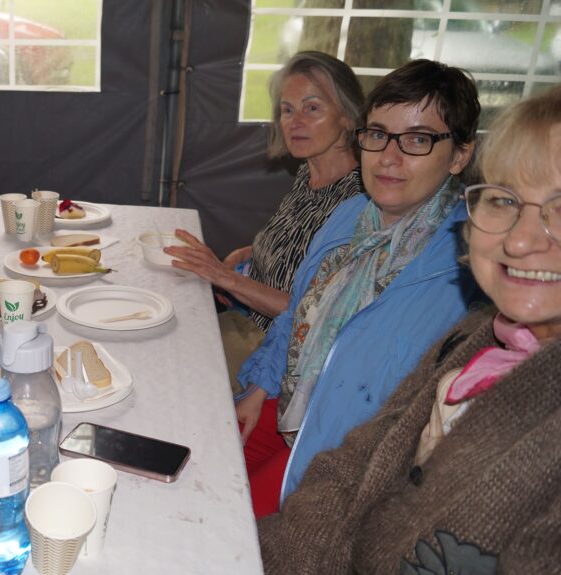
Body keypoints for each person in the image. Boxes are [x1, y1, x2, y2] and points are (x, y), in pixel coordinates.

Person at [258, 85, 561, 574]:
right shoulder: (476, 340)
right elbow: (354, 471)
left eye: (418, 139)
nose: (521, 240)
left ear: (460, 156)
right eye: (504, 201)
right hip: (302, 446)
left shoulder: (460, 287)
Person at [236, 59, 482, 518]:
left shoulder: (471, 268)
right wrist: (258, 387)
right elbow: (297, 313)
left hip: (345, 456)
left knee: (231, 522)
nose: (388, 157)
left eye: (417, 140)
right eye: (378, 134)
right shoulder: (348, 216)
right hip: (293, 403)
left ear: (459, 155)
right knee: (200, 463)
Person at [165, 51, 364, 387]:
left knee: (168, 366)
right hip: (243, 319)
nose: (294, 121)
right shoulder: (309, 174)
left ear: (347, 116)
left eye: (312, 108)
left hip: (275, 354)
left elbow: (311, 312)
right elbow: (293, 245)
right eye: (287, 110)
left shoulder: (357, 203)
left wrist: (227, 279)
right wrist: (246, 254)